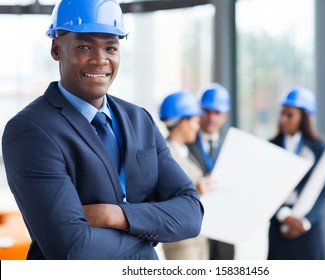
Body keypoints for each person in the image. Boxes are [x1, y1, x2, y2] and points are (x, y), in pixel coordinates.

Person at [1, 0, 203, 260]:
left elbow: (191, 214)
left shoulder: (139, 119)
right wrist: (148, 235)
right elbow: (73, 248)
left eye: (111, 47)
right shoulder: (31, 130)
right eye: (84, 47)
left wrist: (115, 215)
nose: (100, 60)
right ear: (56, 49)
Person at [267, 85, 325, 260]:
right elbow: (265, 187)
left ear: (304, 117)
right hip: (279, 227)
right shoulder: (270, 146)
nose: (283, 119)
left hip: (308, 230)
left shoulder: (320, 149)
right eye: (282, 113)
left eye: (290, 115)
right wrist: (284, 215)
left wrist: (303, 222)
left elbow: (323, 192)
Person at [159, 90, 212, 260]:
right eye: (196, 121)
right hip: (182, 244)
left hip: (198, 239)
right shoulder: (165, 154)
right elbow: (161, 197)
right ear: (183, 122)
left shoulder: (185, 152)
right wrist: (195, 191)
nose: (198, 126)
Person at [187, 83, 235, 260]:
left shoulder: (232, 147)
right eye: (207, 111)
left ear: (225, 116)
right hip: (196, 231)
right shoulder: (184, 145)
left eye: (217, 113)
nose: (211, 117)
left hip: (224, 230)